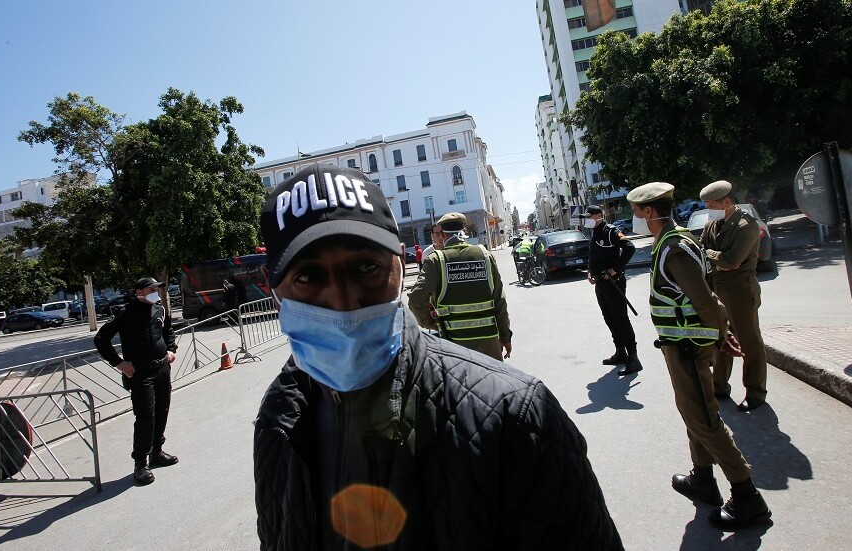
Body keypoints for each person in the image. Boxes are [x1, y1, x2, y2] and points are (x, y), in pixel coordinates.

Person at [254, 164, 623, 549]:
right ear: (272, 286)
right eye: (307, 278)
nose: (344, 305)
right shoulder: (280, 415)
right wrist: (504, 332)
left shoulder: (517, 417)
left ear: (400, 263)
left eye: (367, 268)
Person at [627, 182, 771, 529]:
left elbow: (704, 300)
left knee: (704, 419)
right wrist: (721, 332)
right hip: (686, 344)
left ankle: (747, 496)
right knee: (693, 412)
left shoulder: (673, 248)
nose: (635, 219)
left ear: (648, 212)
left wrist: (721, 334)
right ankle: (703, 477)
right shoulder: (675, 240)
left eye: (636, 212)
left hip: (688, 347)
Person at [94, 277, 179, 485]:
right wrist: (119, 364)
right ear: (139, 292)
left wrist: (171, 349)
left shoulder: (160, 309)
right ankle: (140, 463)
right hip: (141, 374)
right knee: (145, 417)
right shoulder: (125, 312)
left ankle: (157, 452)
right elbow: (101, 339)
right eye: (151, 289)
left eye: (156, 289)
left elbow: (168, 331)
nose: (155, 293)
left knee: (162, 411)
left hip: (162, 369)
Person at [699, 180, 768, 411]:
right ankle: (719, 386)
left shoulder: (746, 225)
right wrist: (715, 256)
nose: (709, 210)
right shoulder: (713, 224)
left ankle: (755, 391)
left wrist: (711, 255)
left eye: (712, 205)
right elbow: (703, 252)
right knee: (721, 338)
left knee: (749, 342)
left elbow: (732, 261)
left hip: (740, 289)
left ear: (727, 202)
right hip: (717, 287)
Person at [408, 212, 512, 361]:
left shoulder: (437, 260)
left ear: (442, 235)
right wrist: (505, 336)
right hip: (489, 343)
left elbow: (416, 299)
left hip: (454, 345)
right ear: (464, 231)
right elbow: (499, 301)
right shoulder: (485, 255)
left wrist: (431, 323)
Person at [584, 206, 641, 375]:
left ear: (599, 216)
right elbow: (594, 255)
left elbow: (629, 247)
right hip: (601, 284)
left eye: (590, 216)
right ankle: (620, 352)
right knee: (609, 318)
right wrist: (590, 271)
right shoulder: (595, 233)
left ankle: (633, 358)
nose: (587, 219)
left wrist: (615, 268)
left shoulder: (610, 231)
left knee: (621, 319)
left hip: (614, 283)